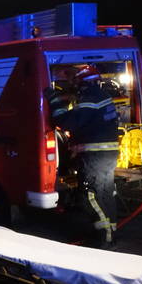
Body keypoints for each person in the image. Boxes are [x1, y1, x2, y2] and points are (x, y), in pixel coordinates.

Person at [47, 64, 120, 248]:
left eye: (76, 83)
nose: (75, 87)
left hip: (95, 157)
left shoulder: (89, 99)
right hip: (107, 155)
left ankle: (103, 239)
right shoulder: (102, 96)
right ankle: (109, 234)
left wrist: (55, 101)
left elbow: (66, 122)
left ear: (83, 83)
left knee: (90, 195)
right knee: (105, 194)